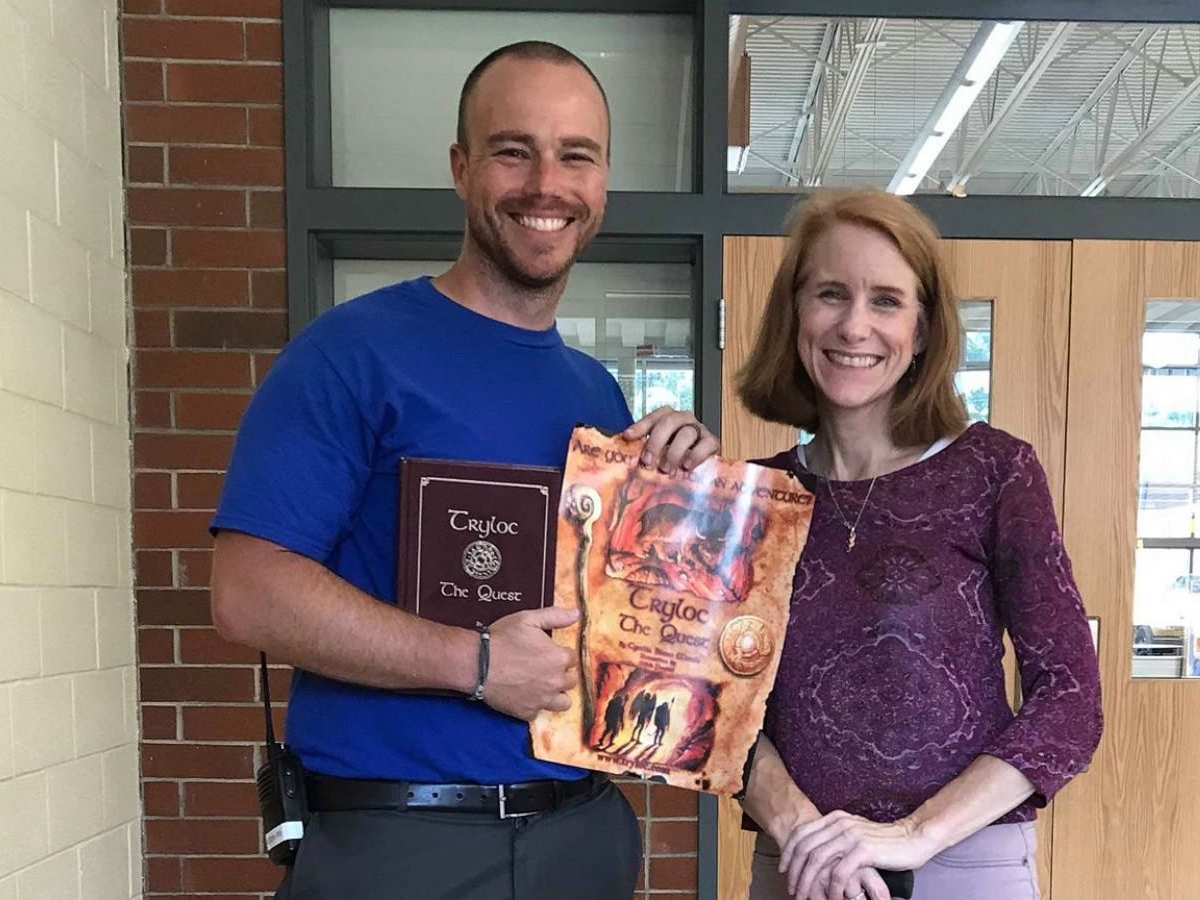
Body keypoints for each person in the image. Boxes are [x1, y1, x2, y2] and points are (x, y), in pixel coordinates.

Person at [209, 41, 720, 900]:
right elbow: (246, 591)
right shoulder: (351, 353)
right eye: (513, 149)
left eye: (576, 156)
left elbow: (622, 620)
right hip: (398, 846)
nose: (545, 184)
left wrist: (687, 490)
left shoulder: (595, 392)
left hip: (581, 831)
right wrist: (476, 665)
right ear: (460, 166)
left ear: (602, 184)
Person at [734, 189, 1103, 900]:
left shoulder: (995, 471)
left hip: (961, 865)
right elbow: (715, 706)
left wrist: (915, 836)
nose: (854, 326)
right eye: (831, 294)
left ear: (925, 328)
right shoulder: (754, 496)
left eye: (886, 301)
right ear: (795, 314)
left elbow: (1070, 700)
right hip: (798, 865)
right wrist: (806, 832)